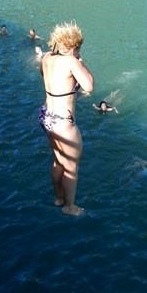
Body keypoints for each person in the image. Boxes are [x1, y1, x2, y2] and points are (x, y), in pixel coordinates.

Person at [38, 21, 94, 215]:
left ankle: (59, 198)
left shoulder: (46, 58)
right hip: (63, 121)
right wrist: (79, 61)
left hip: (47, 117)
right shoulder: (71, 61)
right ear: (74, 45)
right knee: (71, 167)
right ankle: (70, 207)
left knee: (57, 160)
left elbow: (43, 74)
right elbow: (89, 86)